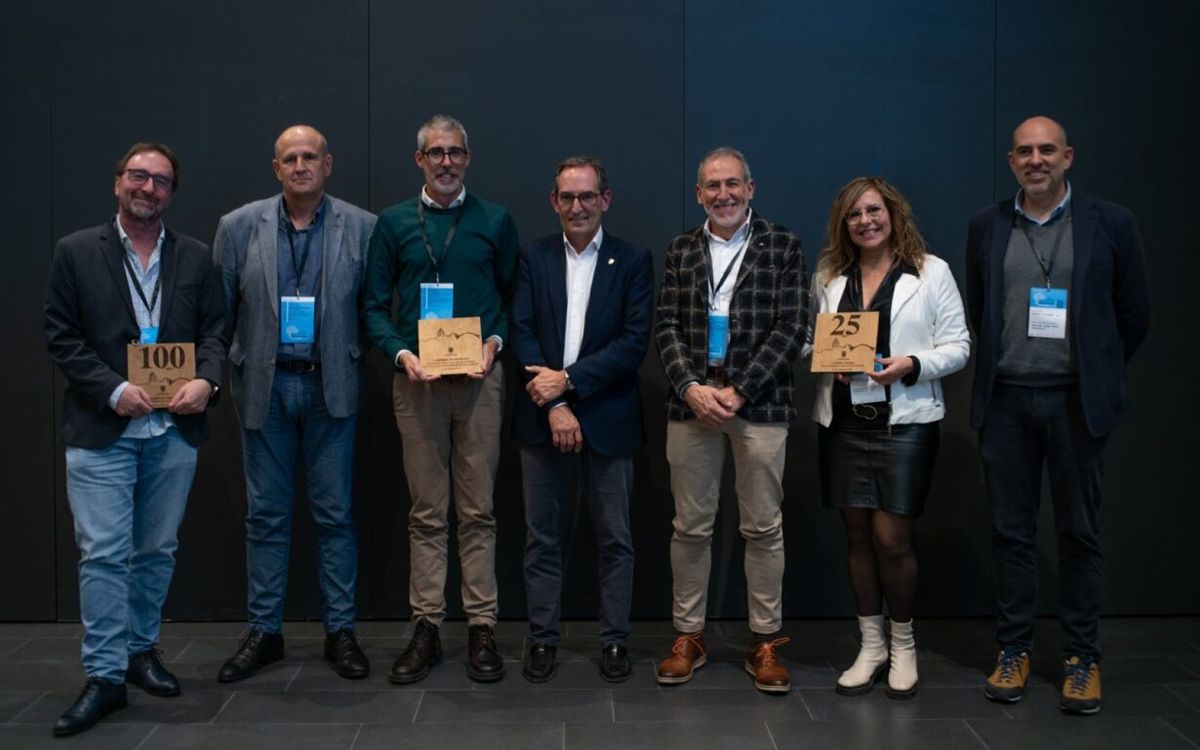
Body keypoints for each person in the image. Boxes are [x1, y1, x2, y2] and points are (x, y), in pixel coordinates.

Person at [967, 116, 1150, 715]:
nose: (1036, 159)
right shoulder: (987, 225)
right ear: (1010, 160)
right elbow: (980, 307)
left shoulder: (1110, 222)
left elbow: (1133, 314)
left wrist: (1094, 367)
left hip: (1077, 402)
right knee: (1011, 536)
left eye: (1047, 150)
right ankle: (1014, 651)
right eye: (1025, 151)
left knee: (1078, 536)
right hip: (1008, 404)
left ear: (1068, 156)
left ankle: (1081, 658)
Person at [44, 142, 226, 736]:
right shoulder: (75, 251)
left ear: (172, 192)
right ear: (118, 181)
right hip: (104, 427)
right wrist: (113, 389)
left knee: (157, 550)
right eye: (139, 176)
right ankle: (103, 676)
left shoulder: (196, 258)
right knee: (102, 553)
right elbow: (62, 337)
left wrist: (208, 380)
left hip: (172, 428)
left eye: (161, 181)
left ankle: (140, 650)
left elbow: (217, 334)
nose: (148, 188)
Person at [213, 125, 376, 683]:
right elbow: (220, 314)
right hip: (266, 387)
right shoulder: (238, 227)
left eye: (311, 156)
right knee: (266, 517)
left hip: (332, 386)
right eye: (290, 158)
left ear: (328, 164)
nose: (301, 165)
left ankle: (341, 630)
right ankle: (265, 631)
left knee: (335, 516)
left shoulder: (362, 226)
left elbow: (373, 309)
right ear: (276, 167)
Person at [363, 114, 520, 684]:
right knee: (427, 513)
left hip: (480, 381)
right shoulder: (394, 223)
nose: (447, 161)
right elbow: (374, 306)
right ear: (419, 160)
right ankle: (427, 625)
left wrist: (495, 345)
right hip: (417, 383)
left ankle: (482, 627)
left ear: (468, 158)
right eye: (436, 153)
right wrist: (402, 355)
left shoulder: (495, 221)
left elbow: (508, 298)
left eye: (455, 152)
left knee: (477, 511)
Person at [654, 147, 808, 693]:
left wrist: (740, 390)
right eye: (712, 186)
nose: (723, 194)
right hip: (690, 406)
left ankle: (765, 641)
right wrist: (692, 387)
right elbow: (665, 325)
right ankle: (688, 636)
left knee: (763, 527)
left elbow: (793, 327)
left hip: (760, 406)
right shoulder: (680, 249)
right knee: (689, 527)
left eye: (732, 184)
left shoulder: (782, 244)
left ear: (751, 187)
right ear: (699, 194)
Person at [809, 177, 969, 699]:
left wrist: (911, 365)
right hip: (845, 424)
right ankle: (870, 646)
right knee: (857, 537)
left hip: (906, 422)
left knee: (891, 540)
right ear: (844, 223)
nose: (866, 221)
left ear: (893, 214)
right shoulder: (831, 276)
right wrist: (827, 362)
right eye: (854, 214)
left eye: (874, 210)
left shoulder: (931, 272)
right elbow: (818, 338)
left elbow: (959, 345)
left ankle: (903, 647)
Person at [511, 156, 654, 683]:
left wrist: (567, 384)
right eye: (567, 197)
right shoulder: (533, 258)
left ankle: (615, 641)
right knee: (542, 538)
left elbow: (633, 344)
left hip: (610, 419)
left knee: (615, 538)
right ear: (554, 202)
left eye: (587, 196)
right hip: (541, 420)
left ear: (605, 200)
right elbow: (522, 335)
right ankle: (543, 639)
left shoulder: (633, 260)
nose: (577, 206)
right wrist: (554, 405)